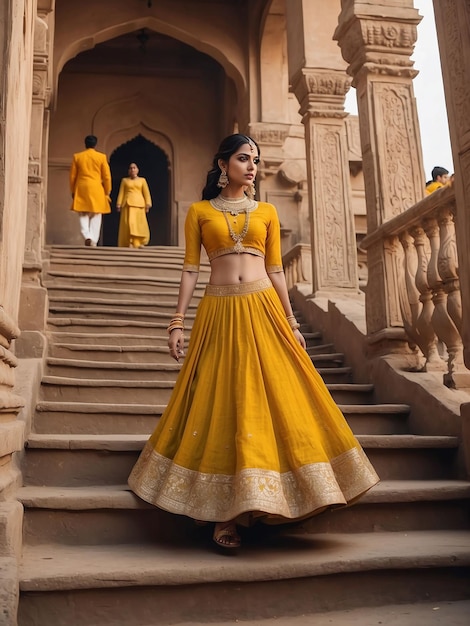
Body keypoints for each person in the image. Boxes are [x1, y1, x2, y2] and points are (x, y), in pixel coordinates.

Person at [128, 134, 379, 551]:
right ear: (223, 164)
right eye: (243, 159)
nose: (252, 166)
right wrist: (176, 322)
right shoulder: (200, 212)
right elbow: (191, 270)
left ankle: (277, 498)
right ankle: (226, 514)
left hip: (264, 310)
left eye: (256, 160)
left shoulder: (266, 211)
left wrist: (291, 320)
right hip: (219, 313)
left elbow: (277, 270)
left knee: (274, 401)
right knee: (225, 403)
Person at [70, 135, 112, 246]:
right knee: (96, 214)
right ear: (95, 144)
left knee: (83, 213)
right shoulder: (101, 157)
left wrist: (73, 191)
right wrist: (107, 191)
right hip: (97, 188)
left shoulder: (78, 156)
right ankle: (93, 239)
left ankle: (87, 236)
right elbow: (107, 177)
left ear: (85, 144)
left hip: (82, 187)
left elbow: (72, 176)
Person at [116, 163, 152, 248]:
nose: (132, 169)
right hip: (127, 204)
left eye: (134, 168)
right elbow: (121, 193)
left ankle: (139, 242)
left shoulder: (142, 180)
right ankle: (130, 242)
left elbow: (146, 193)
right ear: (128, 171)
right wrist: (119, 204)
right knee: (129, 224)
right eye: (131, 168)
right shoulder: (125, 180)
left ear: (137, 170)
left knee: (139, 224)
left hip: (139, 205)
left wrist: (148, 204)